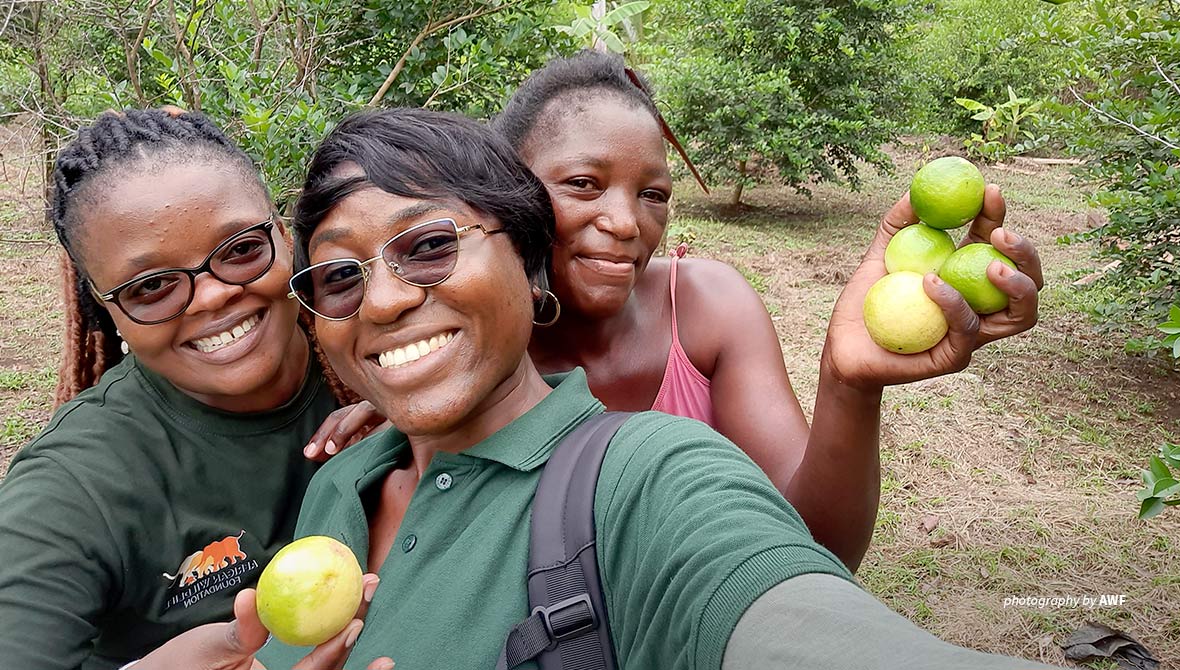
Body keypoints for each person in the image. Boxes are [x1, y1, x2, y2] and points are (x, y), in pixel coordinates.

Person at [131, 107, 1059, 670]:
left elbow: (791, 614)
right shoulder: (339, 478)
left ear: (533, 268)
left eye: (430, 245)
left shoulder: (649, 474)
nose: (377, 300)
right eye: (337, 277)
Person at [492, 52, 1045, 569]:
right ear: (505, 189)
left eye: (652, 194)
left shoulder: (708, 308)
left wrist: (848, 382)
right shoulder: (459, 343)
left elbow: (815, 545)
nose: (627, 223)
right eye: (584, 184)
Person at [0, 108, 383, 670]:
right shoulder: (77, 483)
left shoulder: (382, 347)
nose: (210, 297)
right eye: (151, 286)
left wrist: (416, 408)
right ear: (106, 309)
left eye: (240, 250)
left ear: (281, 233)